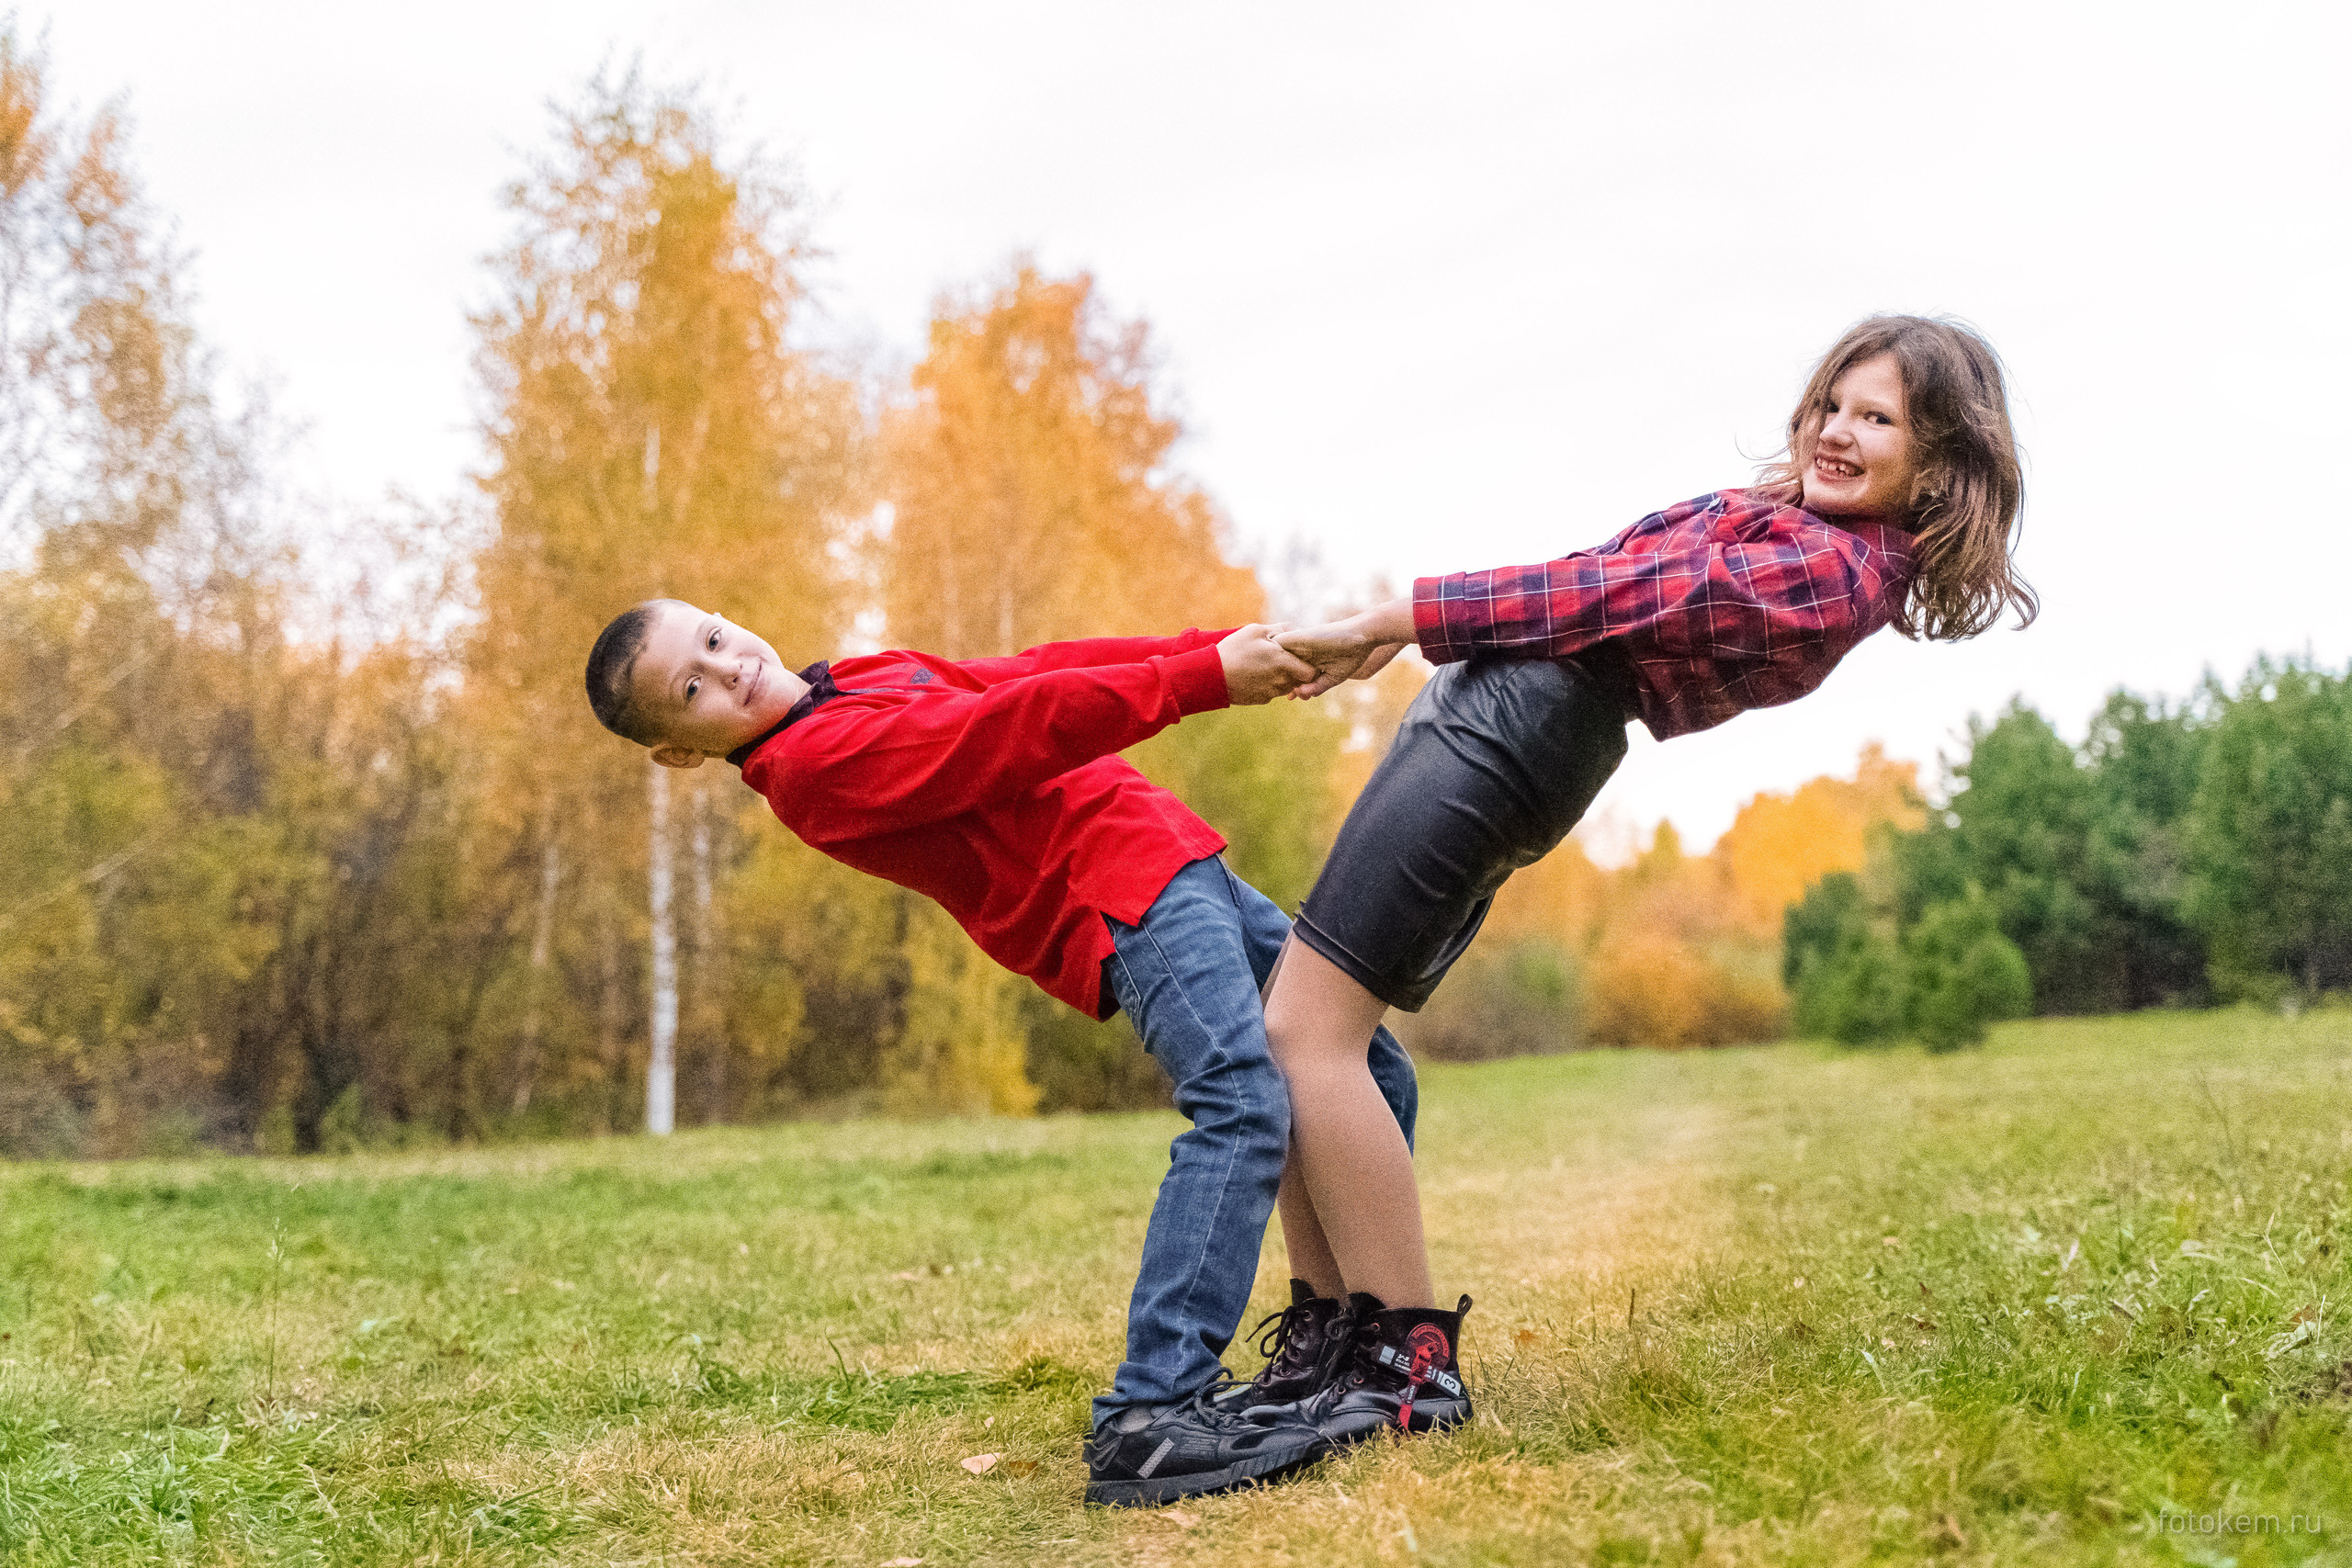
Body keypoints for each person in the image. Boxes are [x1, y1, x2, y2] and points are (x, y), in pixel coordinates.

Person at [1236, 315, 2038, 1465]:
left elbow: (1608, 595)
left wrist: (1396, 617)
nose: (1838, 432)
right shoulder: (1801, 534)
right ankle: (1332, 1346)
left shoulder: (1825, 568)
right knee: (1303, 1034)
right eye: (1833, 404)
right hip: (1506, 721)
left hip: (1516, 731)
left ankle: (1406, 1367)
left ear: (1939, 463)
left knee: (1307, 1032)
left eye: (1880, 419)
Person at [581, 605, 1416, 1506]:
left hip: (1170, 855)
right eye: (692, 689)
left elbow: (1035, 668)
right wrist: (1203, 681)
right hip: (1115, 888)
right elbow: (1002, 731)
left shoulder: (855, 681)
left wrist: (1233, 649)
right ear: (678, 752)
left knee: (1368, 1071)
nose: (727, 667)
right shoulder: (814, 767)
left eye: (712, 638)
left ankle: (1331, 1345)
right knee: (1240, 1097)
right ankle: (1153, 1412)